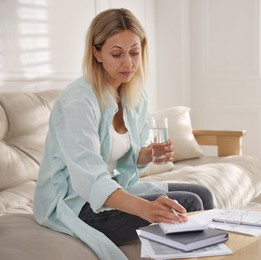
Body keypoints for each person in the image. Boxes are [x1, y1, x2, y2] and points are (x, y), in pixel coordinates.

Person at [34, 8, 214, 260]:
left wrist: (146, 155)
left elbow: (121, 160)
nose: (128, 63)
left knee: (203, 194)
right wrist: (146, 209)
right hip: (75, 203)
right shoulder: (78, 101)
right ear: (96, 53)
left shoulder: (133, 94)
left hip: (112, 189)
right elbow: (90, 181)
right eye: (117, 54)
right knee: (190, 203)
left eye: (134, 52)